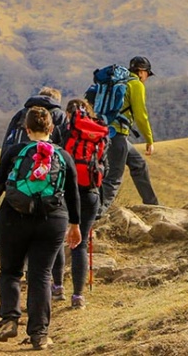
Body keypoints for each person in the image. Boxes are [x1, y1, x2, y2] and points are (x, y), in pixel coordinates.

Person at [0, 106, 81, 351]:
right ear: (52, 129)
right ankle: (39, 335)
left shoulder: (15, 151)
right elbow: (73, 193)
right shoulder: (63, 156)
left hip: (13, 217)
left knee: (11, 272)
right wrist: (75, 224)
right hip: (52, 220)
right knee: (41, 276)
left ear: (27, 129)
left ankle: (9, 320)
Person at [51, 99, 108, 309]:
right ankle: (78, 297)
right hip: (91, 194)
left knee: (58, 239)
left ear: (68, 113)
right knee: (80, 244)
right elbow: (106, 169)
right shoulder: (99, 134)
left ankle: (57, 288)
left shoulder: (64, 132)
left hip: (65, 193)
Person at [99, 56, 159, 215]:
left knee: (138, 164)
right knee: (113, 179)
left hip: (105, 132)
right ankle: (96, 215)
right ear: (141, 72)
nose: (146, 78)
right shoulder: (135, 84)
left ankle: (153, 206)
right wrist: (149, 140)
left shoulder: (116, 82)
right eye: (147, 73)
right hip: (116, 134)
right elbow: (141, 115)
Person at [1, 87, 67, 156]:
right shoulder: (61, 116)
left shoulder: (21, 114)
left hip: (20, 160)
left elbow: (8, 142)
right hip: (49, 161)